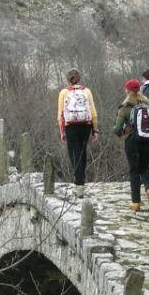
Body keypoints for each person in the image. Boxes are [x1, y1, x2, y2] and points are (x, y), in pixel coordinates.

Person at [113, 79, 149, 211]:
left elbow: (117, 128)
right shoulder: (148, 104)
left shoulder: (125, 106)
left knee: (134, 170)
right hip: (148, 140)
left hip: (132, 141)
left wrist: (122, 132)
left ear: (127, 90)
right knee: (144, 167)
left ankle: (136, 202)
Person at [57, 68, 99, 198]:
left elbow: (60, 115)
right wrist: (95, 129)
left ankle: (79, 183)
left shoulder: (64, 92)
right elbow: (93, 112)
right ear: (79, 78)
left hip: (71, 126)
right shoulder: (87, 91)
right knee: (82, 152)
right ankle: (81, 181)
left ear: (68, 79)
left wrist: (62, 131)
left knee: (73, 153)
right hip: (86, 125)